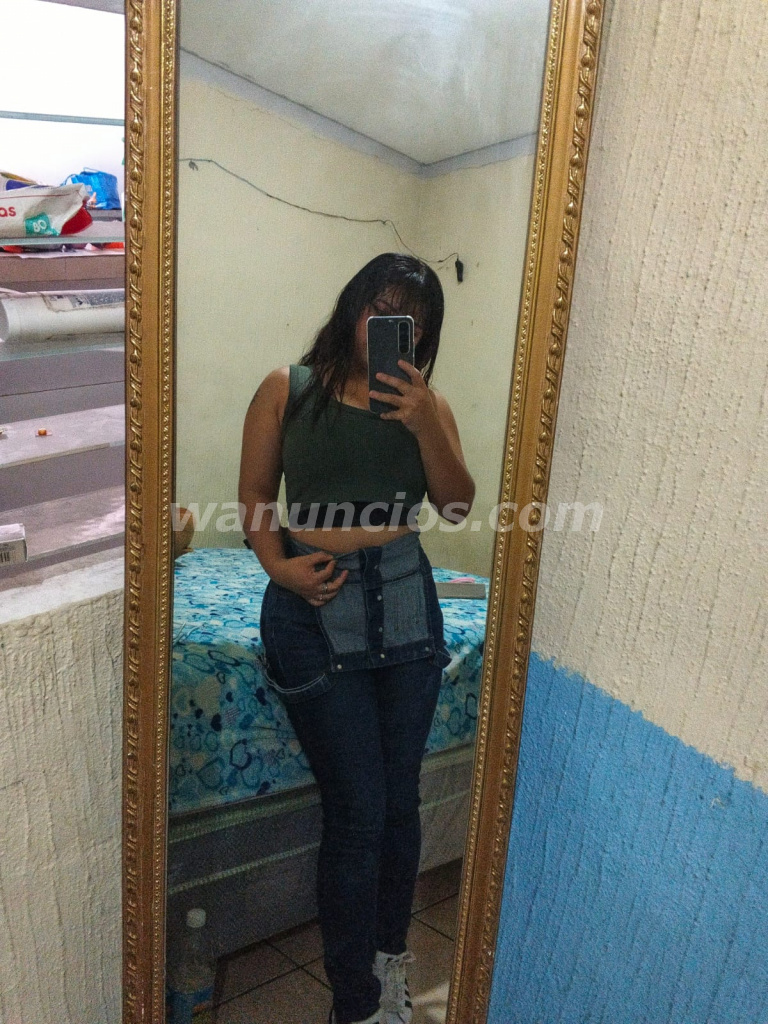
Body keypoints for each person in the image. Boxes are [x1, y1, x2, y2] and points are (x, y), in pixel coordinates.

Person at [238, 252, 475, 1024]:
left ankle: (388, 966)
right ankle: (356, 1001)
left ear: (423, 336)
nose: (390, 326)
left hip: (405, 606)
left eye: (410, 320)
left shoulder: (428, 406)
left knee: (399, 803)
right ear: (352, 307)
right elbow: (254, 497)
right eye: (380, 307)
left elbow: (458, 506)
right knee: (360, 808)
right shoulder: (287, 389)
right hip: (312, 609)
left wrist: (425, 422)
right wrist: (279, 567)